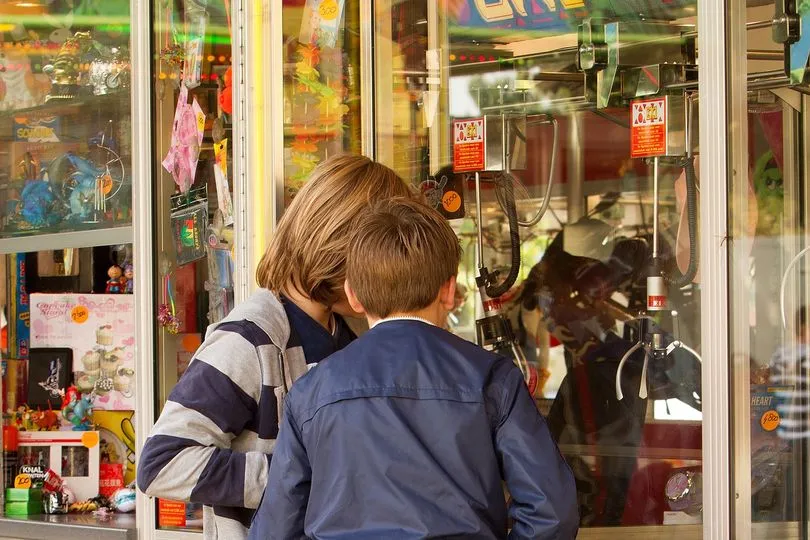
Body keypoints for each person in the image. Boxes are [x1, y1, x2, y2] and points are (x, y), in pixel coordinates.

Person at [249, 197, 579, 540]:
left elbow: (275, 529)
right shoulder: (493, 378)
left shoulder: (311, 391)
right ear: (449, 291)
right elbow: (551, 512)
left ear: (354, 295)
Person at [136, 155, 414, 540]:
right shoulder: (248, 341)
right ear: (338, 248)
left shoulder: (348, 335)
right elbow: (161, 463)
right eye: (379, 256)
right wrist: (297, 475)